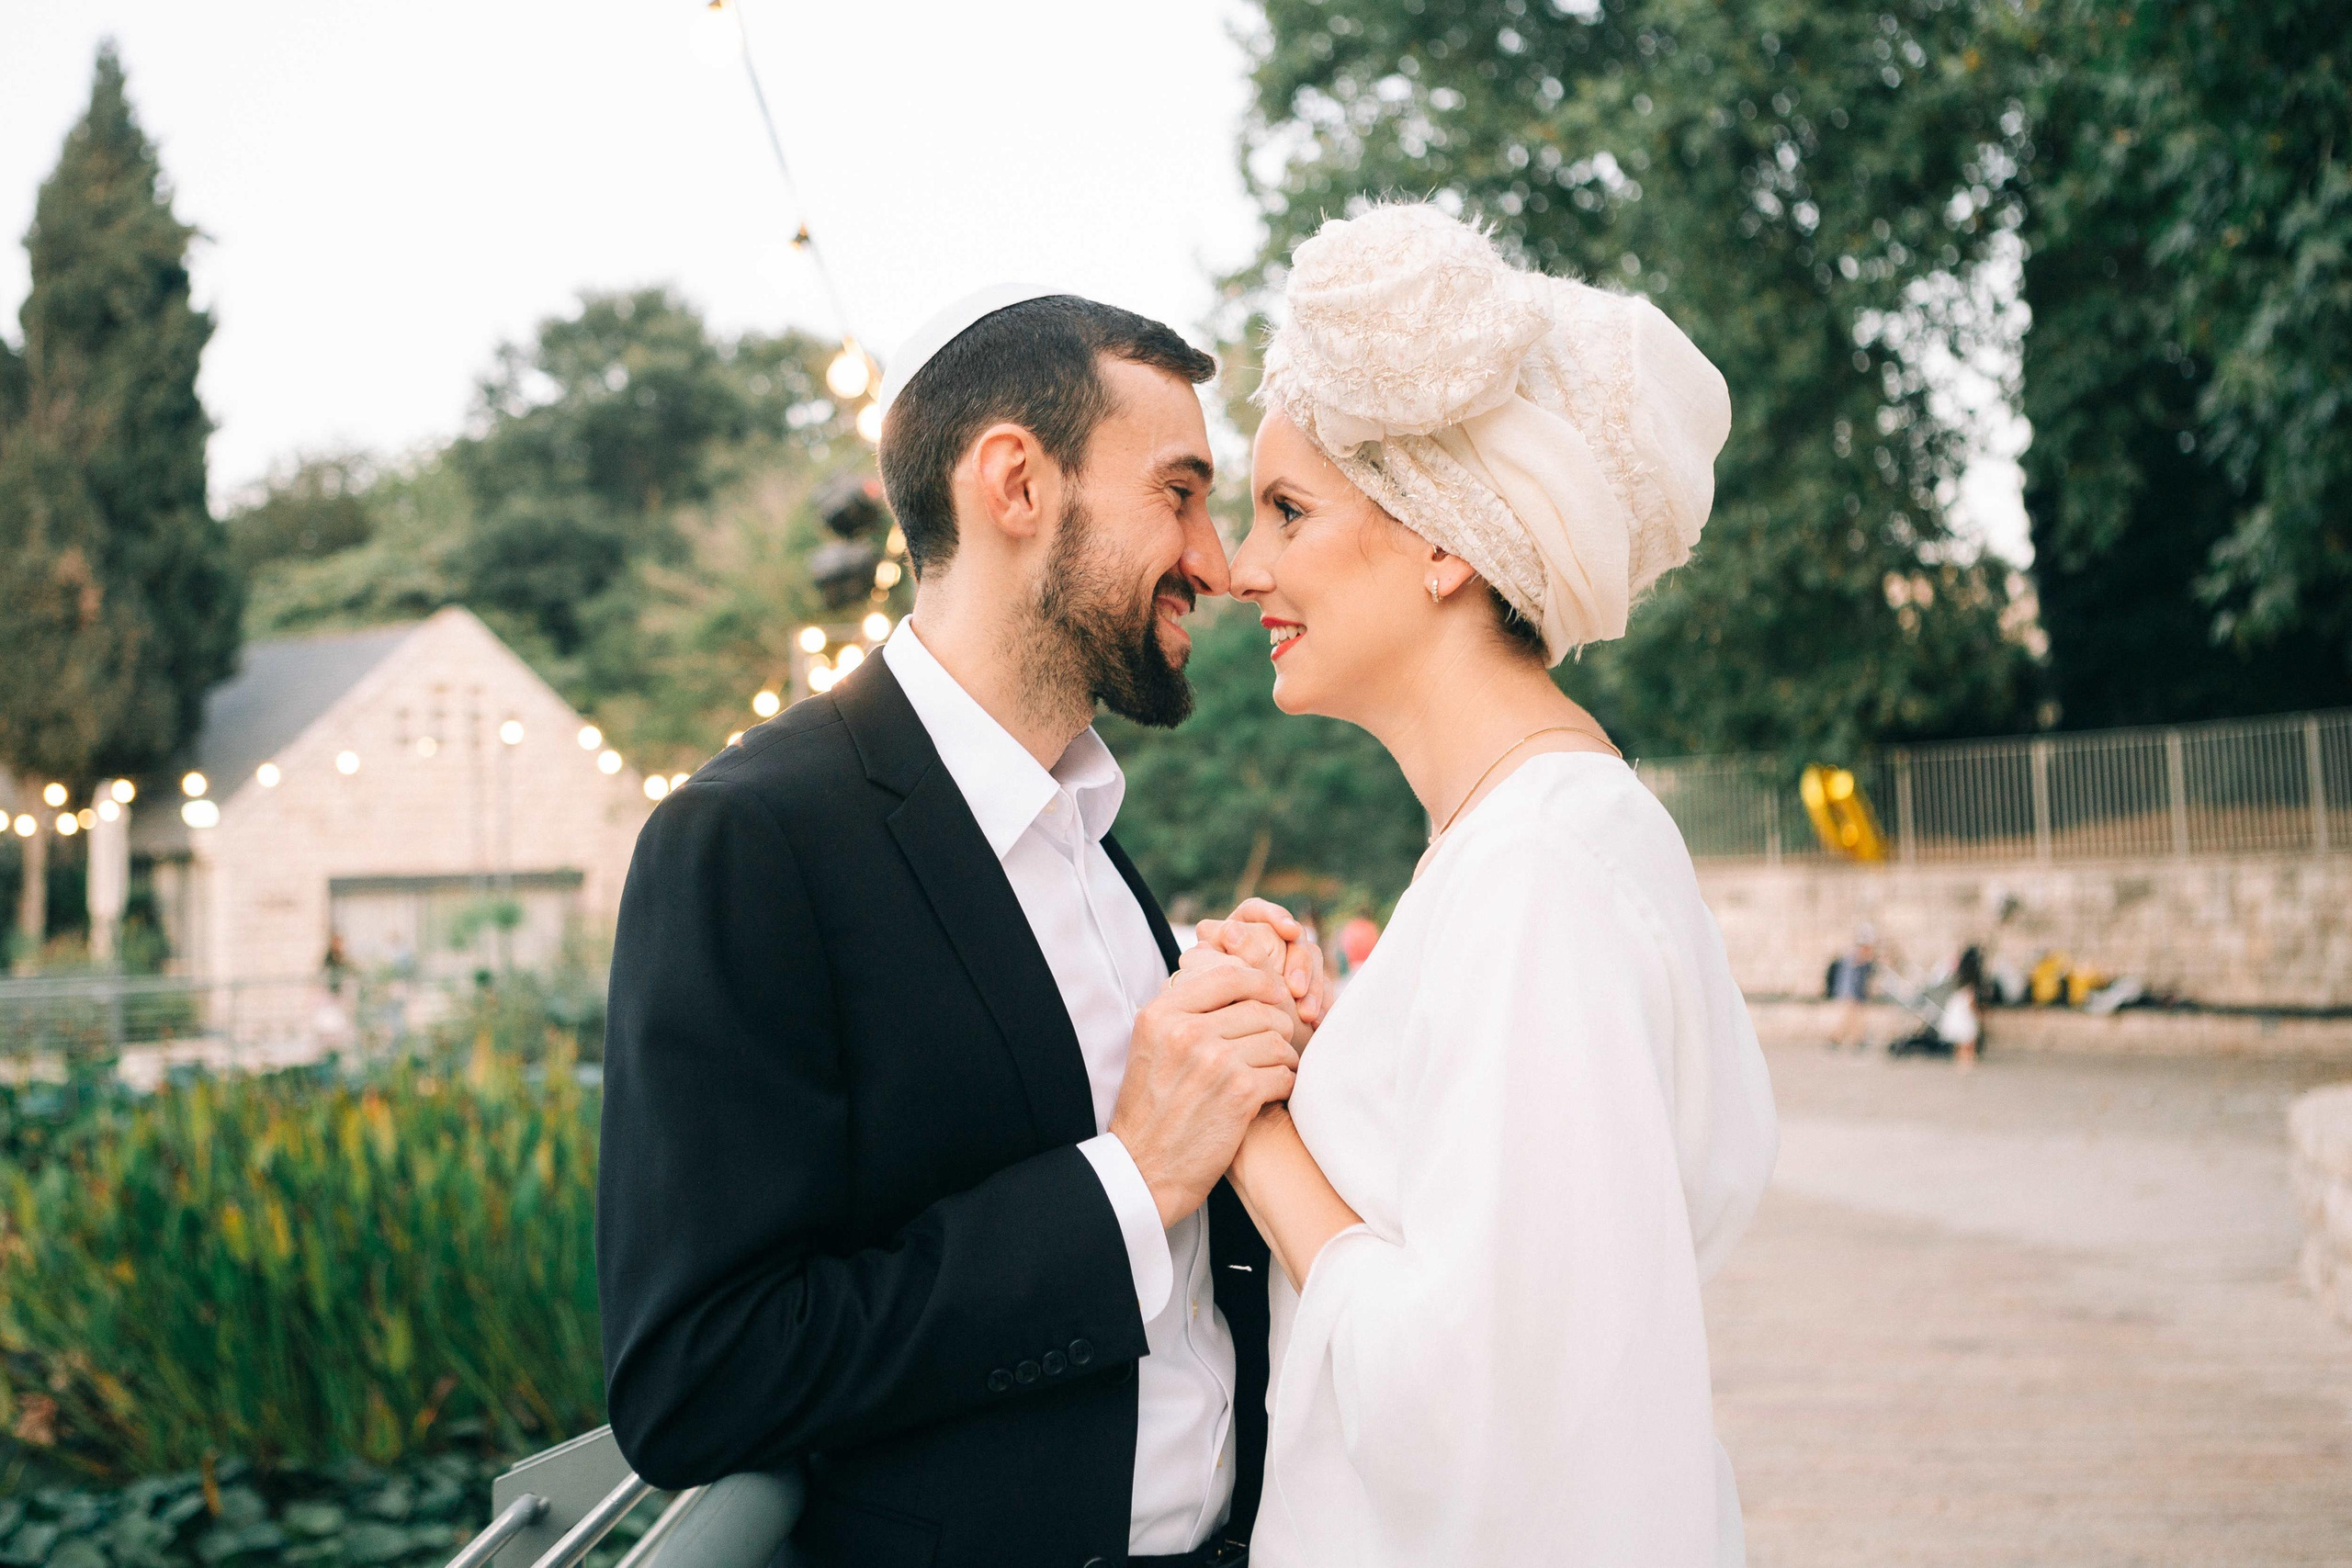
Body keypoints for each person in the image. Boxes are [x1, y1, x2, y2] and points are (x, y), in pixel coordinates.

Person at [596, 291, 1329, 1567]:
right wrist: (1133, 1179)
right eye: (1178, 494)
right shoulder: (752, 840)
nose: (1216, 563)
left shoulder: (1096, 834)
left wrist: (1266, 1064)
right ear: (1016, 483)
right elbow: (701, 1373)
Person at [1191, 204, 1780, 1565]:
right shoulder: (1522, 850)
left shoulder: (1540, 875)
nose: (1242, 568)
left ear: (1446, 541)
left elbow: (1485, 1412)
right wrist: (1326, 1054)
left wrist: (1251, 1122)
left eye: (1287, 508)